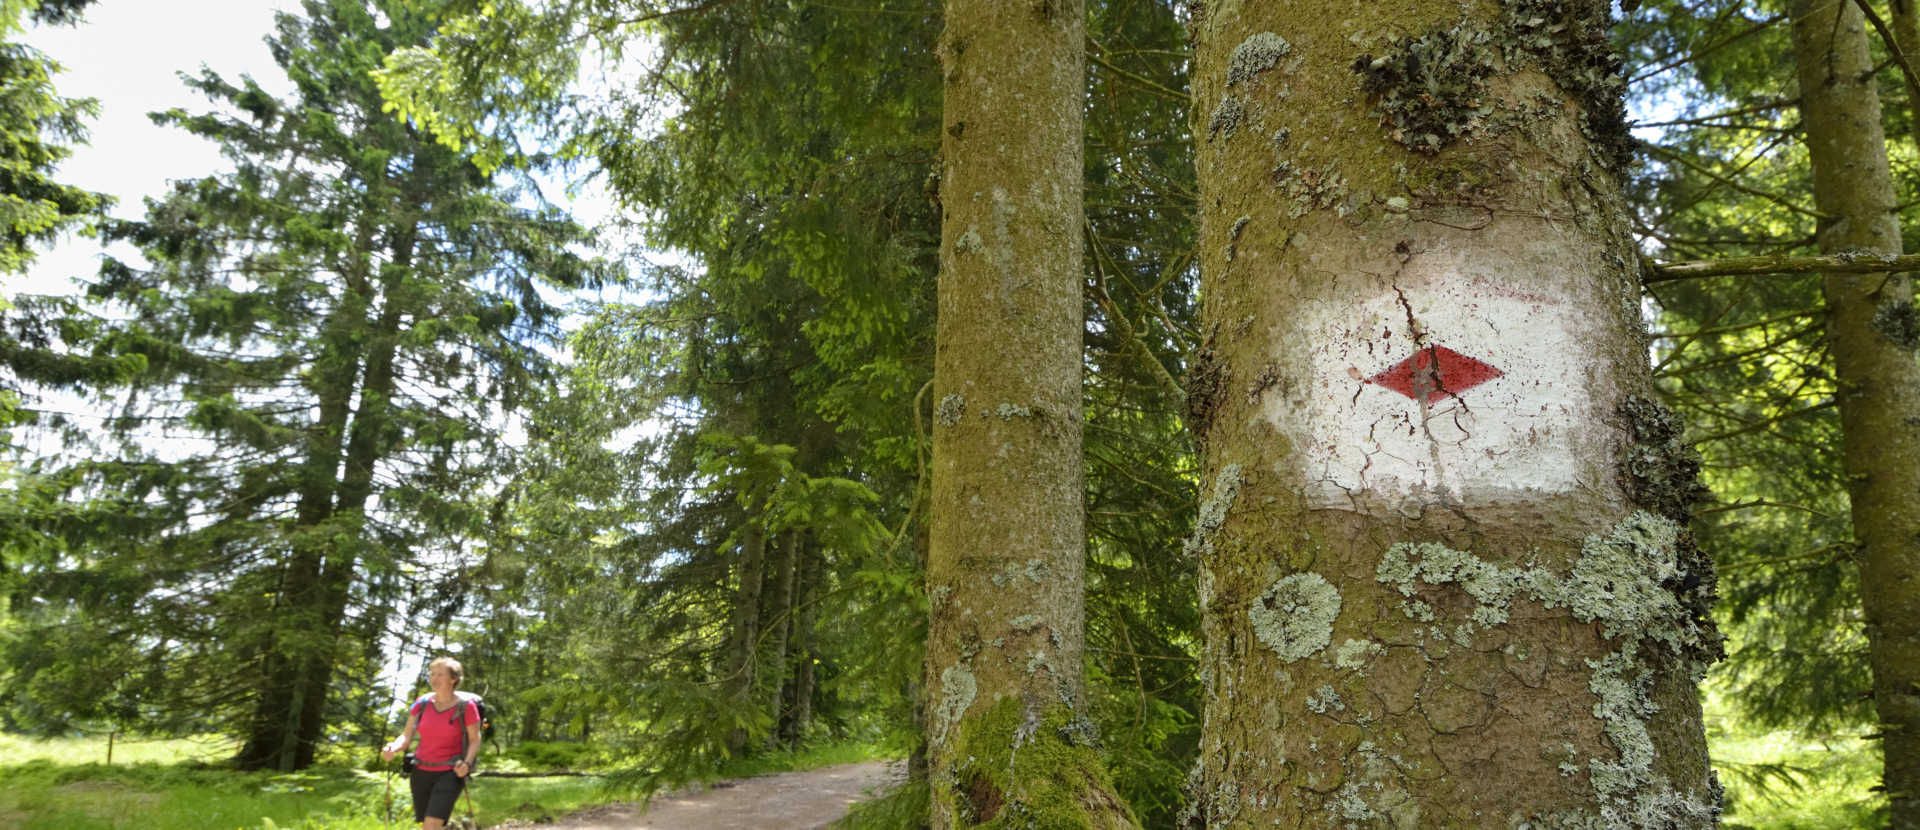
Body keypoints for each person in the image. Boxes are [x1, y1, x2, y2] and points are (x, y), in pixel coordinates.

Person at [382, 657, 481, 830]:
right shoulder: (422, 704)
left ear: (454, 679)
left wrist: (467, 763)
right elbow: (406, 736)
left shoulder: (466, 707)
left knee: (431, 825)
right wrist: (393, 747)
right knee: (425, 824)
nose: (434, 679)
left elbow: (474, 739)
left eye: (440, 675)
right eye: (432, 674)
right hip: (420, 772)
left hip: (450, 772)